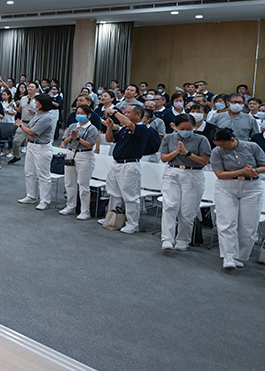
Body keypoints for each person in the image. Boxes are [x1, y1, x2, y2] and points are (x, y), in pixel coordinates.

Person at [210, 127, 265, 269]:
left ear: (232, 140)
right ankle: (228, 255)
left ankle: (240, 256)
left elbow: (264, 165)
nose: (221, 148)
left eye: (223, 145)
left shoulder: (252, 147)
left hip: (252, 187)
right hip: (226, 186)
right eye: (218, 145)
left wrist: (255, 171)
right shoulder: (216, 151)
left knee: (248, 224)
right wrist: (242, 171)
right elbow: (220, 174)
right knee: (227, 221)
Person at [158, 113, 211, 251]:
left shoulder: (201, 139)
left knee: (188, 211)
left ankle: (183, 239)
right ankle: (167, 239)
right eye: (182, 128)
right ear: (175, 127)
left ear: (194, 127)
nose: (185, 131)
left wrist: (187, 153)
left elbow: (204, 161)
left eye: (189, 128)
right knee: (170, 206)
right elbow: (164, 158)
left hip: (193, 173)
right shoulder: (169, 138)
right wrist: (176, 152)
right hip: (173, 171)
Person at [103, 103, 147, 234]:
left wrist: (114, 112)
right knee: (114, 194)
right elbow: (110, 139)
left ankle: (132, 223)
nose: (125, 114)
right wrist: (109, 127)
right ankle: (112, 218)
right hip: (116, 163)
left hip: (130, 165)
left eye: (128, 112)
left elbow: (128, 123)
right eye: (125, 112)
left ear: (138, 115)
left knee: (130, 197)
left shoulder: (141, 128)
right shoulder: (124, 128)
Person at [58, 104, 99, 218]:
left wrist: (77, 138)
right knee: (69, 182)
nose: (79, 115)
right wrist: (71, 136)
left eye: (82, 113)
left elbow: (90, 145)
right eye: (78, 113)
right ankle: (70, 206)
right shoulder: (72, 125)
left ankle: (85, 211)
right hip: (71, 153)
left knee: (83, 185)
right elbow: (65, 141)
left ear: (89, 115)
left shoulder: (92, 128)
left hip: (84, 155)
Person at [17, 93, 57, 210]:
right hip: (31, 145)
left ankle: (45, 200)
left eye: (37, 102)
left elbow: (32, 132)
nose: (35, 103)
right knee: (29, 172)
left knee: (43, 175)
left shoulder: (47, 117)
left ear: (42, 104)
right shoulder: (37, 114)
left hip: (42, 147)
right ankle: (31, 196)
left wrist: (20, 125)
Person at [9, 82, 38, 164]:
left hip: (35, 123)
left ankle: (35, 160)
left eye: (32, 87)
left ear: (36, 89)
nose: (30, 88)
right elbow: (20, 110)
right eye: (29, 87)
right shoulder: (23, 98)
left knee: (35, 144)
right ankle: (17, 156)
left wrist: (34, 112)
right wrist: (14, 107)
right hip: (24, 123)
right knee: (16, 141)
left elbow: (43, 112)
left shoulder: (39, 99)